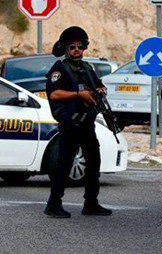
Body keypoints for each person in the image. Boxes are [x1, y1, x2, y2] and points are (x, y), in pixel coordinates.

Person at [44, 26, 113, 218]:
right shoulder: (60, 69)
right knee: (64, 164)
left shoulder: (87, 68)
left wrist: (100, 91)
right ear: (66, 49)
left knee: (94, 162)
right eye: (72, 47)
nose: (76, 50)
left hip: (87, 123)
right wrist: (78, 94)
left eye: (80, 47)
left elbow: (99, 86)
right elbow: (55, 94)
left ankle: (91, 203)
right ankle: (53, 204)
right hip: (70, 123)